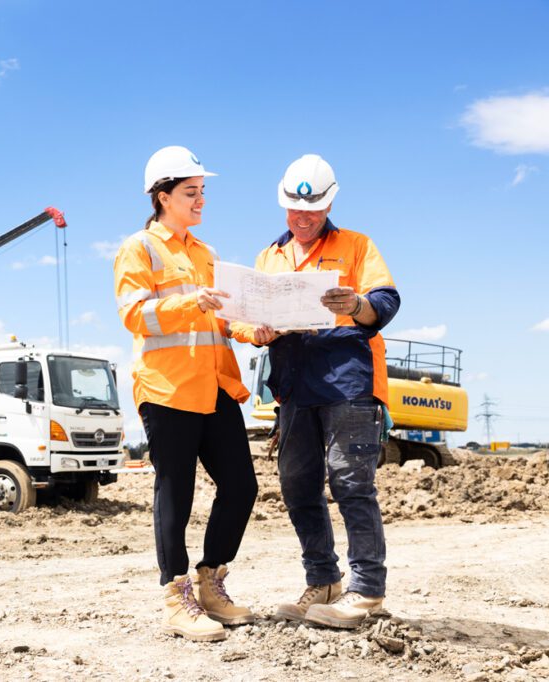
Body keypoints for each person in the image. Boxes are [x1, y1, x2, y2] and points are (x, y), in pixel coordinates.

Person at [234, 154, 400, 629]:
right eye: (293, 210)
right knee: (297, 485)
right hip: (294, 386)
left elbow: (386, 301)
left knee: (351, 482)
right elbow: (244, 317)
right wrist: (256, 333)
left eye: (311, 211)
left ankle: (367, 590)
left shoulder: (357, 246)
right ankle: (323, 581)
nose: (302, 219)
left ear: (328, 205)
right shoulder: (270, 256)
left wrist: (358, 303)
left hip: (348, 380)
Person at [114, 145, 259, 642]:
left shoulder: (206, 253)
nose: (201, 200)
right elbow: (135, 314)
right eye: (191, 192)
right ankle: (176, 598)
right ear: (162, 197)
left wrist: (253, 331)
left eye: (203, 192)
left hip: (213, 385)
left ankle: (211, 584)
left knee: (242, 486)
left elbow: (219, 318)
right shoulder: (140, 248)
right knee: (176, 491)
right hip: (167, 387)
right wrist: (187, 302)